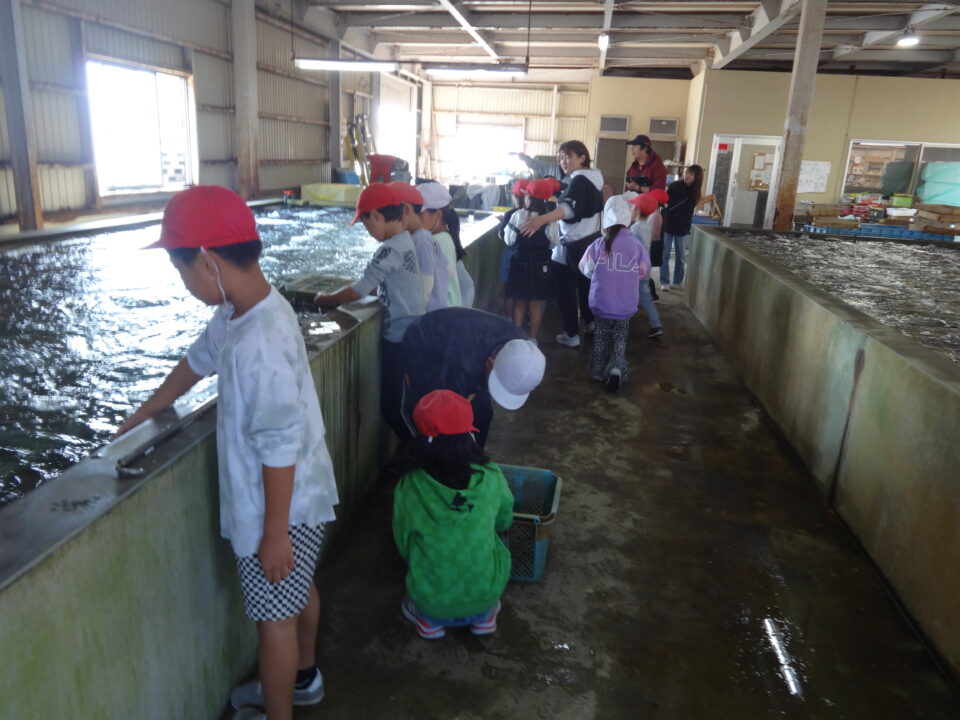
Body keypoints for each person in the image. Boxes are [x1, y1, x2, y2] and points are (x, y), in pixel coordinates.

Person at [115, 186, 338, 720]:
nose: (183, 282)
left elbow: (279, 443)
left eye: (180, 270)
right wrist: (147, 410)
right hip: (302, 498)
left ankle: (280, 709)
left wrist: (274, 533)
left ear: (207, 261)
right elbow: (198, 359)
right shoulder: (247, 308)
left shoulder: (258, 340)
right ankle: (305, 678)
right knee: (298, 591)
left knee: (274, 622)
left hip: (281, 509)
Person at [392, 390, 514, 639]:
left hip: (431, 604)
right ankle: (484, 617)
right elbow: (504, 520)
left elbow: (403, 543)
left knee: (418, 567)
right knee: (496, 543)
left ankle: (429, 623)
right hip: (486, 596)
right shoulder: (491, 475)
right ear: (469, 434)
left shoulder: (410, 484)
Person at [314, 183, 425, 444]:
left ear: (376, 215)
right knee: (403, 405)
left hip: (400, 338)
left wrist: (323, 299)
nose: (368, 232)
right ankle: (420, 454)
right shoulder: (405, 241)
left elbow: (358, 291)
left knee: (393, 408)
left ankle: (422, 457)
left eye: (366, 225)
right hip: (413, 333)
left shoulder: (389, 249)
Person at [400, 307, 546, 448]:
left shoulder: (522, 349)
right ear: (490, 363)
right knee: (434, 418)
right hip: (425, 347)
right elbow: (450, 407)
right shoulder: (464, 363)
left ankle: (475, 457)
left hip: (464, 347)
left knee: (483, 413)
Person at [520, 140, 604, 349]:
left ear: (582, 158)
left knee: (565, 290)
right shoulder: (593, 178)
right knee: (585, 285)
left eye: (568, 157)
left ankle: (571, 334)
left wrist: (541, 219)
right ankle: (590, 322)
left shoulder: (580, 180)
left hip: (573, 245)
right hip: (590, 241)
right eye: (561, 157)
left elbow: (569, 209)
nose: (563, 161)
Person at [579, 195, 650, 393]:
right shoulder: (636, 245)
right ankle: (617, 369)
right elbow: (644, 271)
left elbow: (585, 268)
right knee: (620, 338)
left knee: (601, 337)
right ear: (627, 219)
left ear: (606, 219)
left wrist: (598, 277)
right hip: (625, 305)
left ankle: (597, 371)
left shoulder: (598, 244)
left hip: (602, 302)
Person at [503, 178, 559, 344]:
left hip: (520, 263)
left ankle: (517, 338)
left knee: (519, 302)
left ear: (528, 197)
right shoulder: (549, 219)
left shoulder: (518, 215)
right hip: (541, 266)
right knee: (535, 305)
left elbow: (509, 240)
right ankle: (532, 339)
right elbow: (554, 242)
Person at [390, 181, 449, 313]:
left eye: (391, 217)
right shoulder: (424, 238)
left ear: (406, 210)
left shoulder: (422, 240)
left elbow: (424, 287)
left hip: (427, 318)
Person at [418, 181, 466, 307]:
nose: (414, 219)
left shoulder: (436, 242)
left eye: (419, 214)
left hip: (443, 312)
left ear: (437, 214)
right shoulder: (445, 238)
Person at [660, 165, 704, 291]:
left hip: (682, 228)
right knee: (664, 255)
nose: (687, 175)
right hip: (668, 224)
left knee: (680, 257)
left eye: (691, 174)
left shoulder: (695, 193)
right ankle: (664, 281)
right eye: (686, 172)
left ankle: (677, 281)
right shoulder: (674, 186)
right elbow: (664, 201)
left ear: (697, 177)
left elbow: (687, 210)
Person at [629, 193, 664, 338]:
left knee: (630, 293)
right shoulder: (645, 226)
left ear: (637, 210)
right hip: (645, 266)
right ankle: (656, 324)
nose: (630, 209)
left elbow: (631, 249)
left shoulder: (635, 228)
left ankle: (622, 320)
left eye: (632, 207)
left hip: (636, 268)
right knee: (645, 296)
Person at [497, 179, 529, 319]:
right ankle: (525, 319)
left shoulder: (511, 214)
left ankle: (509, 320)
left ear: (515, 197)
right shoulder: (539, 214)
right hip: (528, 257)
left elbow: (502, 235)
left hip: (511, 254)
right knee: (524, 292)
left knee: (509, 291)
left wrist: (502, 223)